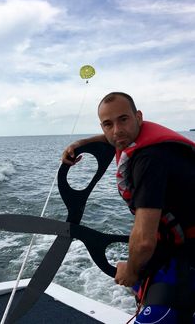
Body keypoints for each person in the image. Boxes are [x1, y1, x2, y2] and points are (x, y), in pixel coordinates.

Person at [62, 92, 195, 324]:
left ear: (138, 117)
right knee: (140, 283)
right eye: (108, 124)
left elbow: (144, 242)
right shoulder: (136, 139)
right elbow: (115, 137)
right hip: (175, 242)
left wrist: (131, 270)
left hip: (188, 252)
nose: (116, 130)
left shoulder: (150, 160)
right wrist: (80, 144)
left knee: (149, 315)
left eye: (123, 119)